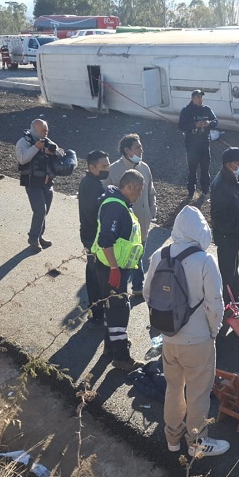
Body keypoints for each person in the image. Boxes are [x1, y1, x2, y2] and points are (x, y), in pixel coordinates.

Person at [144, 206, 230, 458]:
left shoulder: (160, 255)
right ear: (203, 231)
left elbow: (149, 295)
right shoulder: (205, 260)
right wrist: (213, 331)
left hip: (169, 338)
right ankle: (196, 442)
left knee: (173, 387)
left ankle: (172, 437)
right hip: (198, 340)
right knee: (198, 392)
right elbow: (215, 303)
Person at [93, 169, 146, 371]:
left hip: (113, 267)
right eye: (139, 189)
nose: (140, 193)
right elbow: (106, 239)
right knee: (119, 310)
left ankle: (110, 347)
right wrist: (114, 267)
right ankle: (121, 357)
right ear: (129, 186)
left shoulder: (120, 203)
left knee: (113, 308)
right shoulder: (116, 207)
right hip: (110, 268)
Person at [104, 133, 157, 296]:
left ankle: (136, 285)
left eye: (141, 146)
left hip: (143, 220)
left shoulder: (144, 167)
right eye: (137, 147)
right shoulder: (113, 170)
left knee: (139, 252)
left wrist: (152, 210)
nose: (142, 149)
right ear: (127, 151)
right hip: (124, 225)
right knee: (131, 254)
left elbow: (150, 191)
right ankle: (134, 286)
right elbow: (106, 195)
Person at [210, 147, 239, 304]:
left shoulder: (233, 178)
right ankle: (227, 302)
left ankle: (234, 297)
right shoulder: (221, 184)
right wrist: (234, 228)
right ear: (229, 164)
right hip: (227, 235)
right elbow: (218, 215)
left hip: (233, 233)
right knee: (227, 270)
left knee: (233, 267)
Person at [16, 119, 61, 252]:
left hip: (47, 183)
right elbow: (22, 159)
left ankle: (39, 236)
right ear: (35, 130)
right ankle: (33, 238)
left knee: (44, 211)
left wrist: (52, 152)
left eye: (47, 130)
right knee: (40, 210)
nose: (46, 132)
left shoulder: (47, 141)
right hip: (32, 183)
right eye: (43, 130)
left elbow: (61, 153)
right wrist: (36, 148)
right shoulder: (23, 142)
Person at [79, 150, 111, 329]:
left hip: (89, 236)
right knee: (95, 276)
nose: (107, 169)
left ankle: (96, 311)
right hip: (93, 238)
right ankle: (97, 313)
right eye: (103, 166)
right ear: (92, 167)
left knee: (93, 274)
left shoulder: (92, 182)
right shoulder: (92, 187)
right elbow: (94, 215)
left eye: (108, 164)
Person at [178, 90, 218, 198]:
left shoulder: (206, 109)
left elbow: (216, 121)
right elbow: (181, 126)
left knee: (205, 169)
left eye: (201, 97)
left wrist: (209, 123)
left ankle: (205, 190)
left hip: (205, 144)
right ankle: (191, 191)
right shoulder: (186, 111)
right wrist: (195, 125)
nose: (201, 100)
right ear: (193, 98)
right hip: (192, 146)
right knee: (192, 169)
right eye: (198, 97)